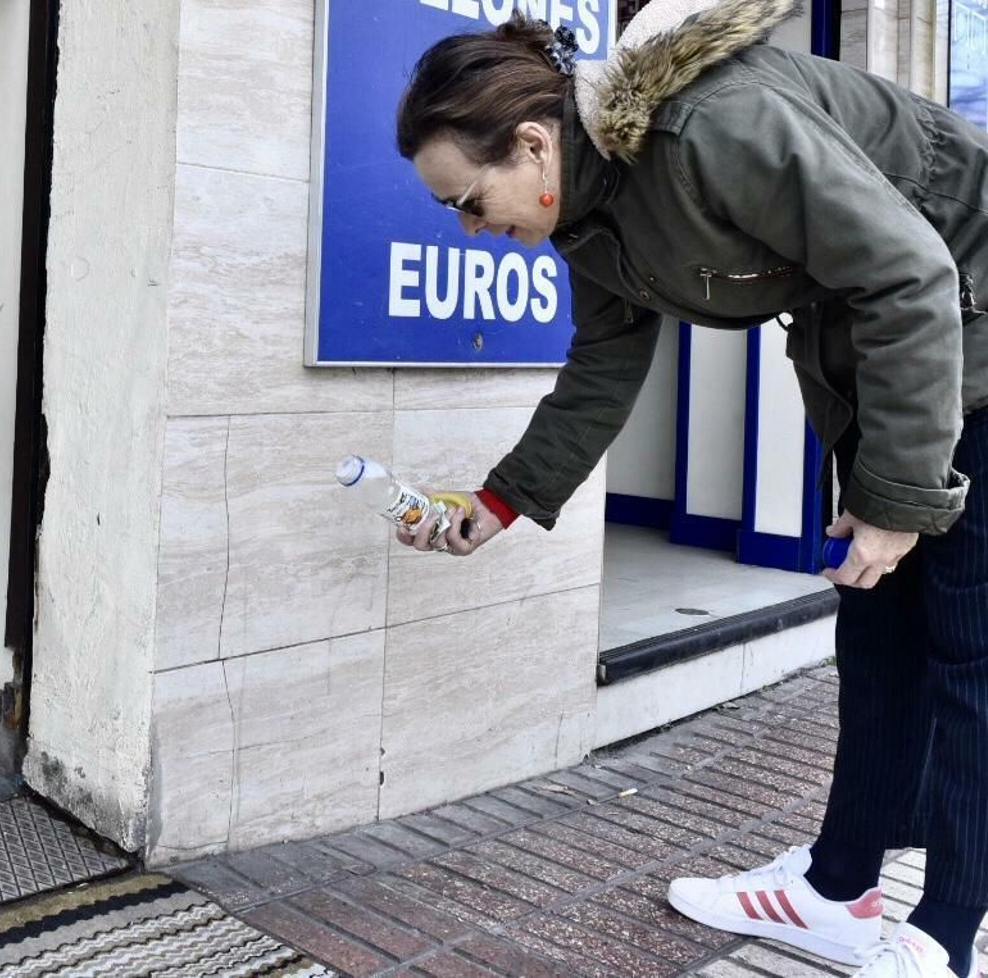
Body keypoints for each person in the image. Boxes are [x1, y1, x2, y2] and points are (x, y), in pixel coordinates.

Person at [393, 0, 988, 974]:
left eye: (464, 197)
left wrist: (895, 501)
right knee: (879, 627)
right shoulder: (586, 213)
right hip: (890, 353)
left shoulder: (710, 127)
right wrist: (495, 503)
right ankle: (839, 891)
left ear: (533, 145)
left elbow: (909, 278)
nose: (467, 226)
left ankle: (947, 934)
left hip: (965, 317)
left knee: (967, 643)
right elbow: (600, 366)